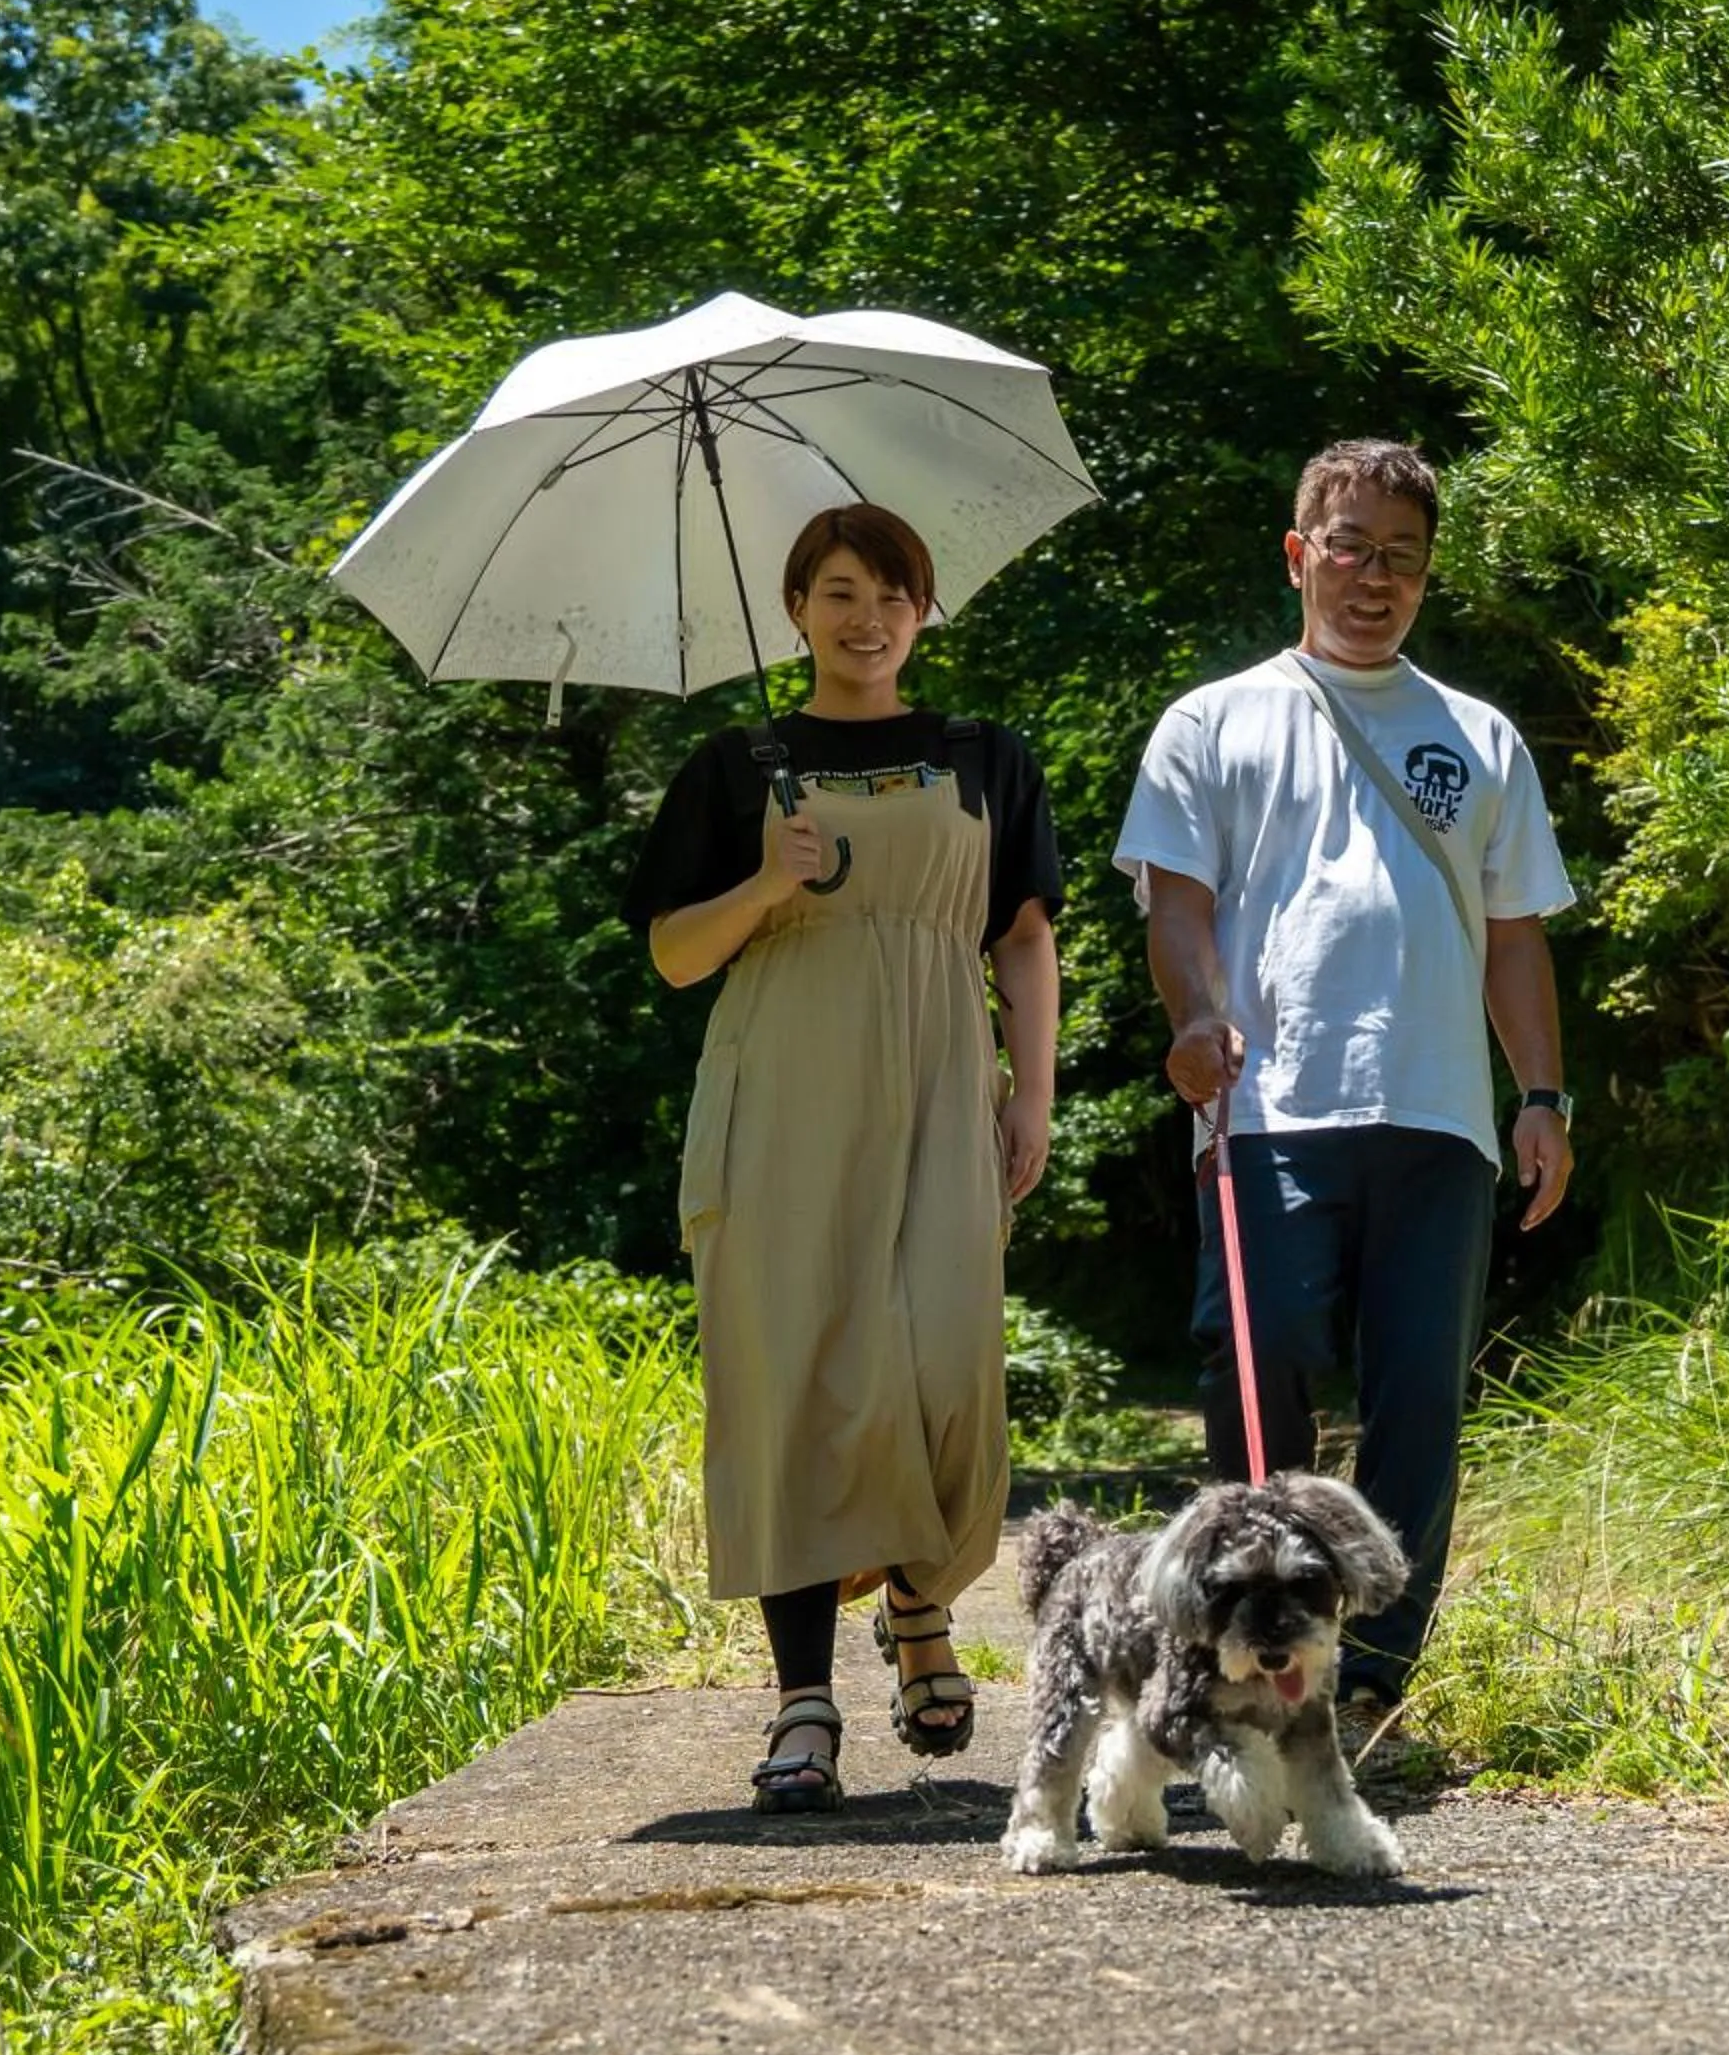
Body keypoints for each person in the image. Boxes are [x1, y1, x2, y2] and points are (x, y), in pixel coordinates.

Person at [1111, 437, 1575, 1736]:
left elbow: (1516, 936)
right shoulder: (1211, 721)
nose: (1375, 579)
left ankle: (1371, 1673)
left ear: (1427, 576)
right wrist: (1195, 1017)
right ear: (1298, 554)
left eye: (1403, 559)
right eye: (1352, 548)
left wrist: (1543, 1096)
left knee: (1419, 1396)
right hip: (1267, 1109)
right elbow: (1177, 903)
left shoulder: (1478, 736)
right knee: (1255, 1366)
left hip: (1439, 1113)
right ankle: (1262, 1642)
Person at [622, 501, 1062, 1814]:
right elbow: (675, 955)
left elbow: (1024, 936)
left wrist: (1033, 1096)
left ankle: (920, 1603)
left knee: (946, 1360)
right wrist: (765, 884)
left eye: (891, 594)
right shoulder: (736, 766)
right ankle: (802, 1700)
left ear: (924, 611)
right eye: (839, 592)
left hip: (940, 1086)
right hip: (781, 1099)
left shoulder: (985, 756)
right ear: (797, 609)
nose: (867, 618)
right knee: (795, 1378)